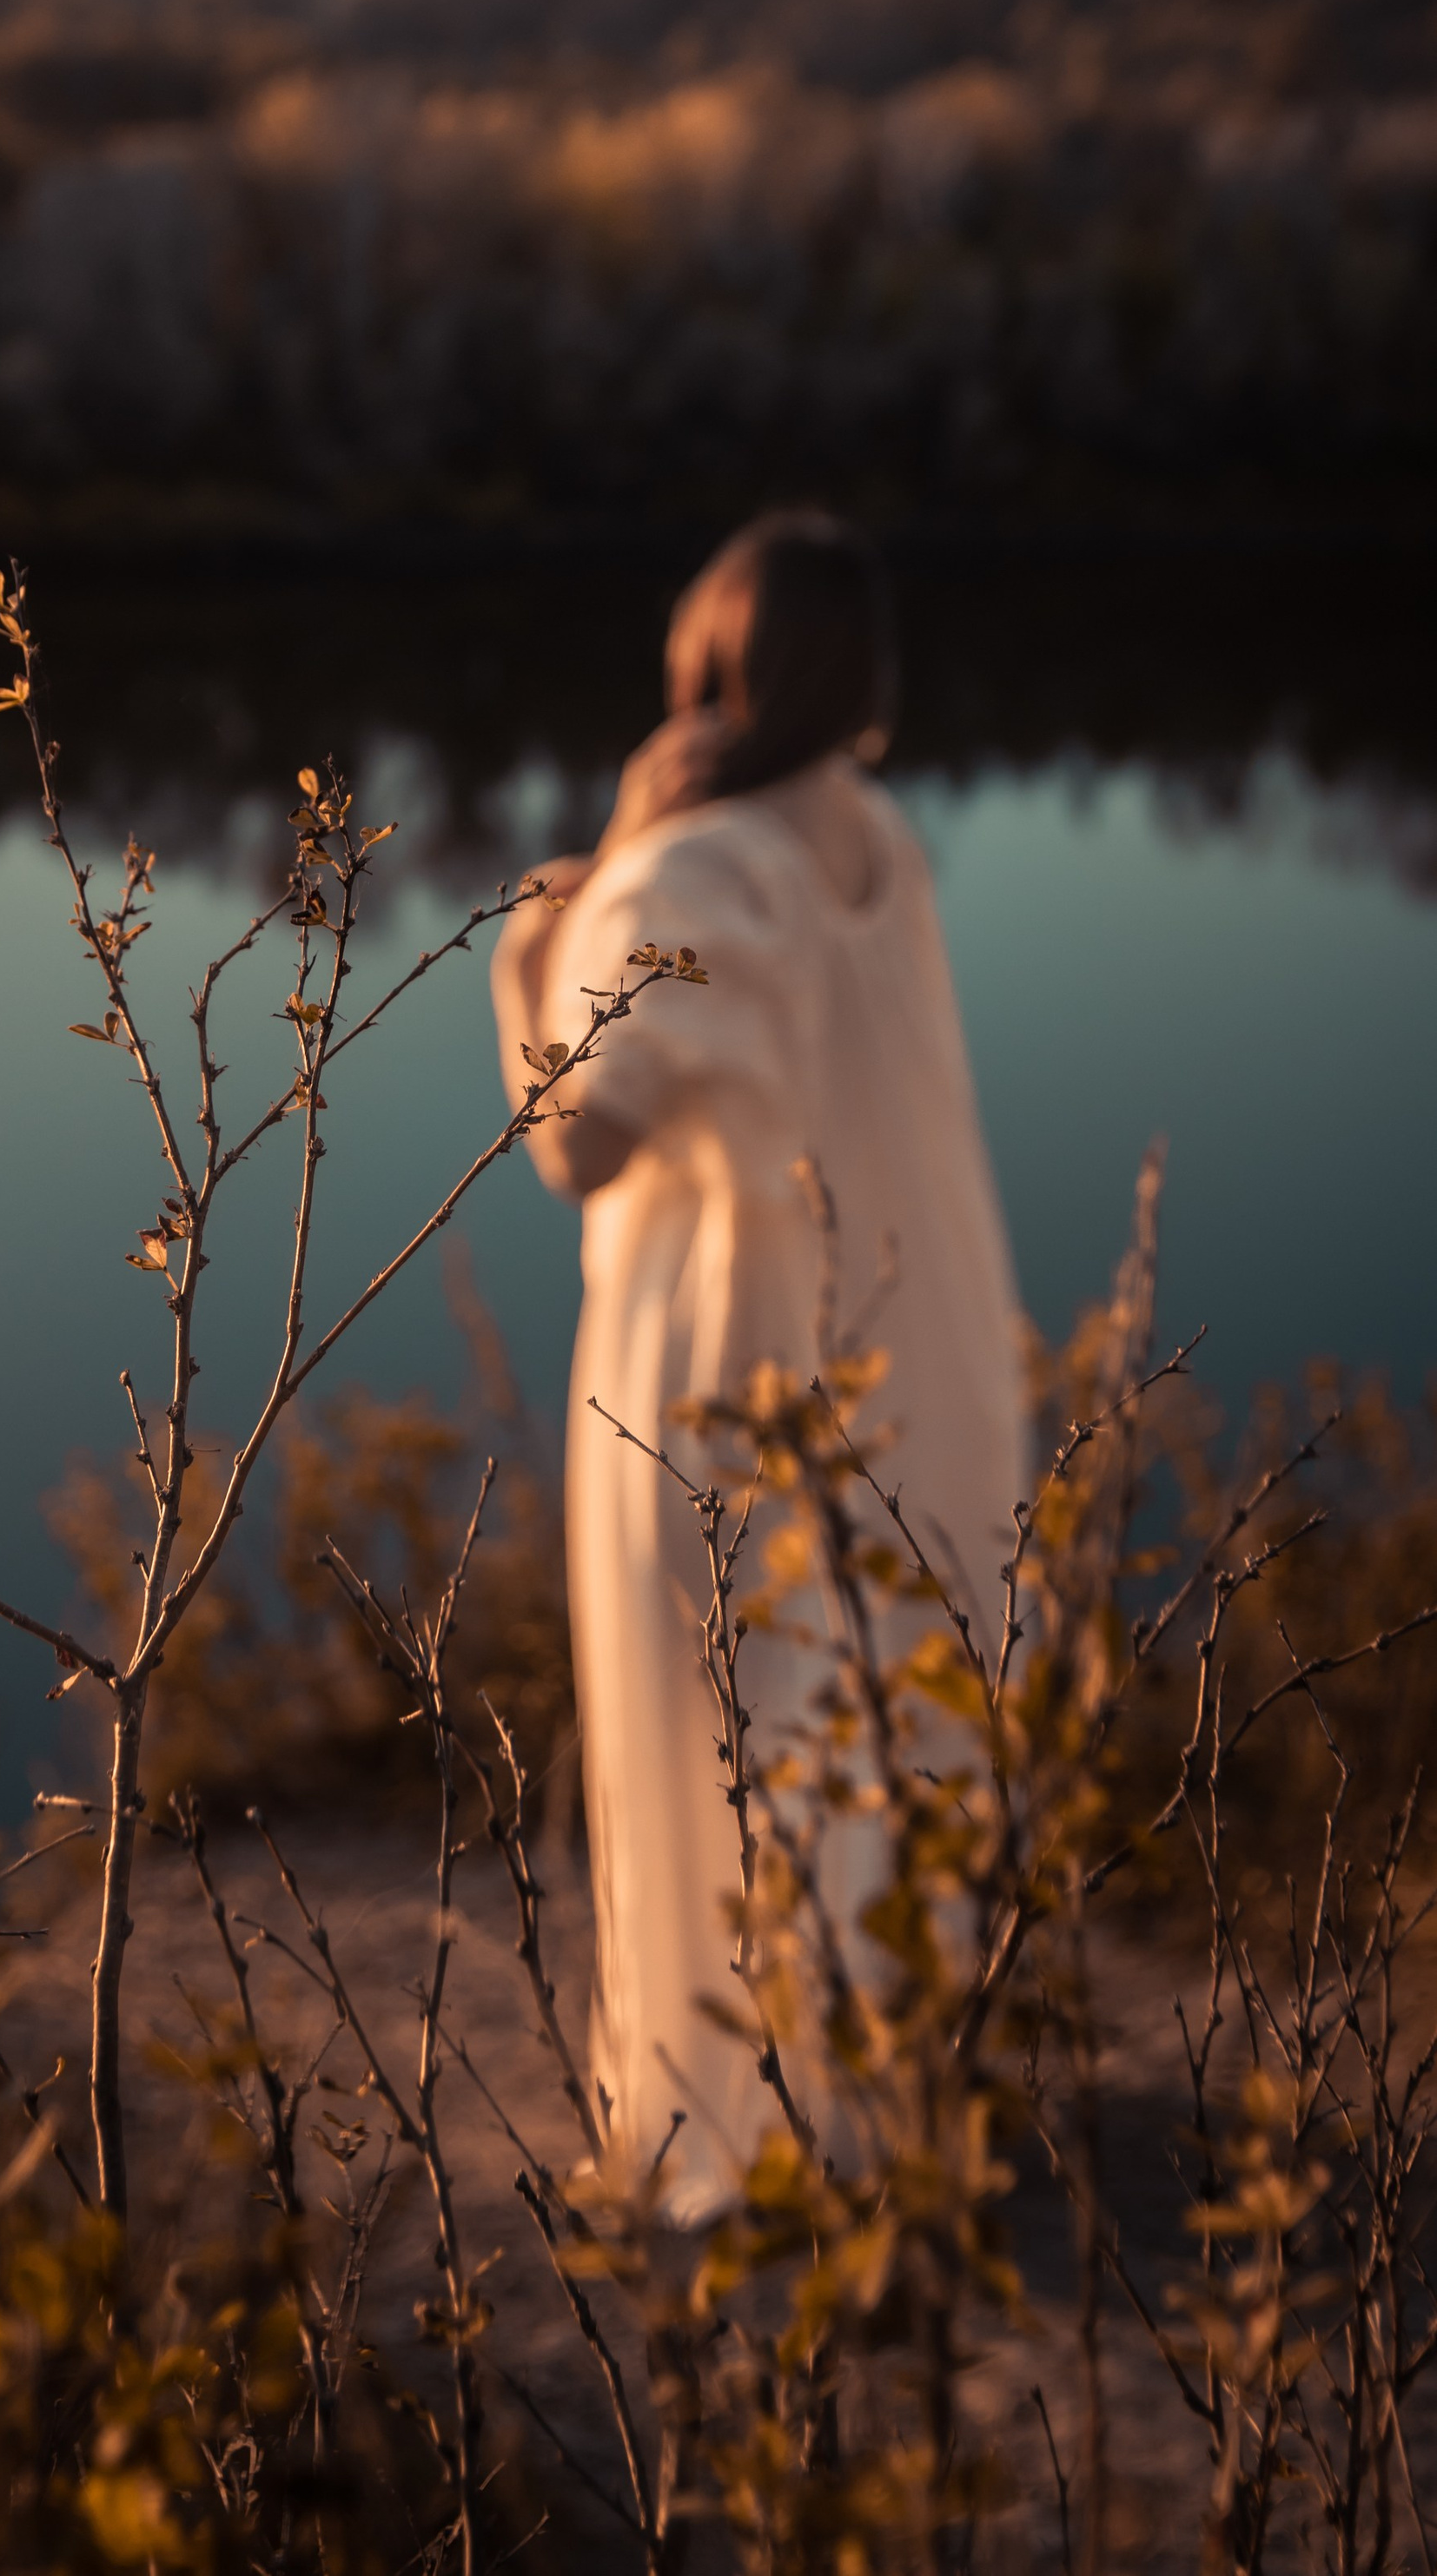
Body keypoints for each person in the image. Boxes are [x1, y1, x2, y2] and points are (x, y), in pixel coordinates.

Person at [489, 511, 1023, 2223]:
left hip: (726, 1374)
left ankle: (733, 2132)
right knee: (872, 1717)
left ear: (708, 660)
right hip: (916, 1343)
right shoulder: (872, 843)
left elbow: (575, 1144)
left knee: (718, 1715)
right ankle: (876, 2096)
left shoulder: (696, 871)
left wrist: (524, 956)